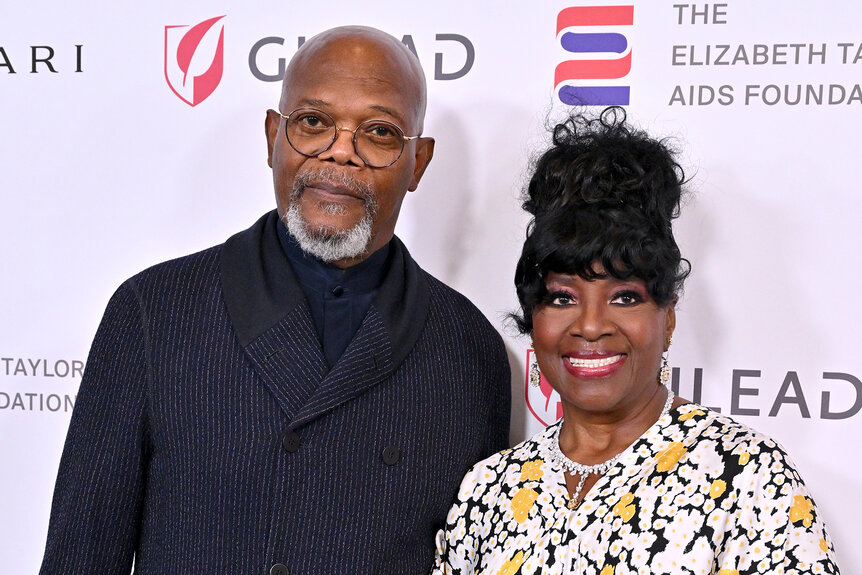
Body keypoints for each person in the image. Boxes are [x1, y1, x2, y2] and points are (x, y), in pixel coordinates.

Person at [39, 26, 511, 575]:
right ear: (272, 137)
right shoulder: (154, 312)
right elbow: (82, 556)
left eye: (379, 132)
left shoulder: (469, 349)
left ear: (419, 164)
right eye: (313, 122)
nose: (341, 152)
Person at [431, 107, 839, 574]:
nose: (590, 325)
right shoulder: (489, 491)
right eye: (562, 299)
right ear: (533, 318)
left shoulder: (743, 476)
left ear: (667, 316)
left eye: (625, 297)